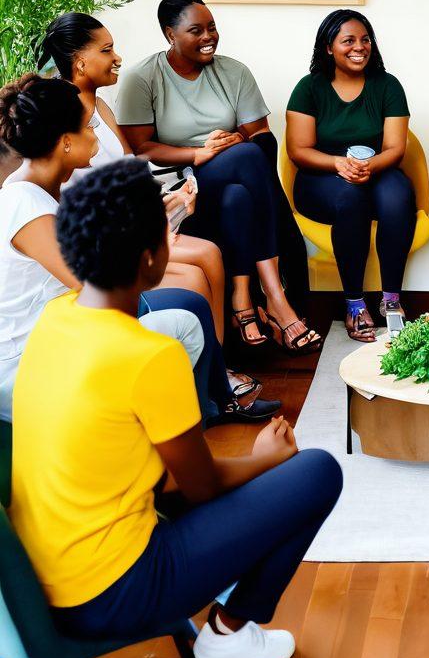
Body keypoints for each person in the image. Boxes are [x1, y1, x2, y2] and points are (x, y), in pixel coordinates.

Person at [8, 158, 343, 658]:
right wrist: (264, 459)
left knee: (243, 490)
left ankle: (227, 581)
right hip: (115, 593)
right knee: (317, 471)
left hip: (44, 583)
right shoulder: (148, 355)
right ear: (150, 259)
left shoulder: (56, 320)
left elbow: (162, 481)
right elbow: (200, 487)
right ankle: (228, 634)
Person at [0, 74, 278, 424]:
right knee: (184, 324)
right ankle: (178, 435)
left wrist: (156, 217)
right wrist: (156, 237)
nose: (96, 138)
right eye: (89, 128)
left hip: (66, 331)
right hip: (32, 363)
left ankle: (217, 403)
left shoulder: (40, 189)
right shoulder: (27, 205)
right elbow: (103, 294)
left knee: (191, 303)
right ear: (66, 142)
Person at [116, 0, 319, 354]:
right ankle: (276, 295)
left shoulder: (233, 71)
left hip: (235, 176)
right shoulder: (142, 78)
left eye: (212, 27)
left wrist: (230, 140)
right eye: (196, 30)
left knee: (242, 184)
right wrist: (199, 152)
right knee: (248, 158)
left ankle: (244, 298)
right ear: (169, 34)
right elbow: (140, 148)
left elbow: (262, 136)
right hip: (179, 184)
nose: (209, 36)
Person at [39, 11, 226, 341]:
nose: (117, 58)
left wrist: (172, 200)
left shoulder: (101, 106)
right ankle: (215, 375)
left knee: (209, 252)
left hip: (132, 226)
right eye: (107, 50)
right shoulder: (61, 122)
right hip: (104, 242)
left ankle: (217, 375)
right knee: (201, 265)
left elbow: (132, 172)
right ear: (80, 63)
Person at [286, 10, 416, 342]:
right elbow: (298, 150)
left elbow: (394, 148)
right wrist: (338, 164)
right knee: (350, 197)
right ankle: (355, 304)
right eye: (348, 41)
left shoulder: (387, 86)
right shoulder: (308, 88)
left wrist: (367, 167)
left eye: (365, 39)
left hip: (375, 169)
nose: (359, 47)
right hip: (320, 179)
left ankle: (391, 301)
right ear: (329, 47)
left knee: (398, 193)